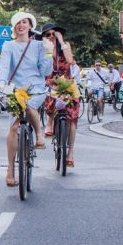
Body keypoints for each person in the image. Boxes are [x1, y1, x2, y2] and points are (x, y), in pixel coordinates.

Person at [0, 11, 50, 188]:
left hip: (35, 88)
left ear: (30, 25)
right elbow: (5, 67)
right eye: (18, 23)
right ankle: (10, 169)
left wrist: (49, 54)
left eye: (25, 22)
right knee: (13, 127)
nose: (21, 25)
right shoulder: (8, 46)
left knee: (28, 106)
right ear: (14, 27)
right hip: (15, 88)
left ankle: (39, 135)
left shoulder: (38, 46)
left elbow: (45, 72)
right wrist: (2, 83)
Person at [39, 23, 80, 166]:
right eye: (48, 34)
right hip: (51, 81)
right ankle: (50, 121)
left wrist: (61, 41)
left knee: (72, 117)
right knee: (50, 95)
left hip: (67, 82)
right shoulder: (43, 48)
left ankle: (70, 153)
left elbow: (70, 61)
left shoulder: (65, 45)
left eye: (53, 34)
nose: (51, 37)